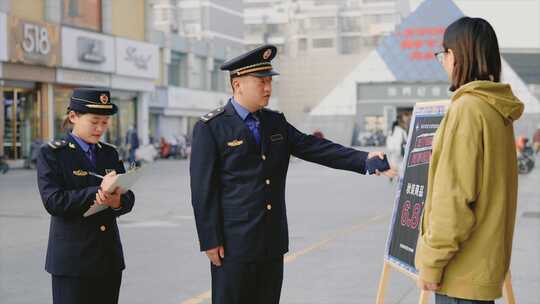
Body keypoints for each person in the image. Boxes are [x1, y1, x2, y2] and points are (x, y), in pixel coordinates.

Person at [189, 44, 396, 304]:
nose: (268, 88)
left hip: (271, 243)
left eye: (269, 81)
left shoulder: (275, 123)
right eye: (261, 81)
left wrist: (364, 160)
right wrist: (210, 239)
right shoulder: (211, 127)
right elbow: (202, 190)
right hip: (233, 247)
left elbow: (315, 148)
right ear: (237, 83)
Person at [415, 17, 524, 304]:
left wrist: (431, 261)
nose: (442, 62)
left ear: (457, 55)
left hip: (459, 275)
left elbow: (453, 199)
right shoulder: (496, 109)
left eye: (444, 54)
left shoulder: (467, 109)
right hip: (482, 270)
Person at [36, 88, 135, 304]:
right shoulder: (53, 153)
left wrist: (117, 201)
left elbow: (128, 196)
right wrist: (97, 193)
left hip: (108, 259)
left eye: (105, 122)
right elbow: (54, 201)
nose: (100, 128)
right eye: (94, 121)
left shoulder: (109, 153)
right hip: (72, 261)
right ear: (73, 117)